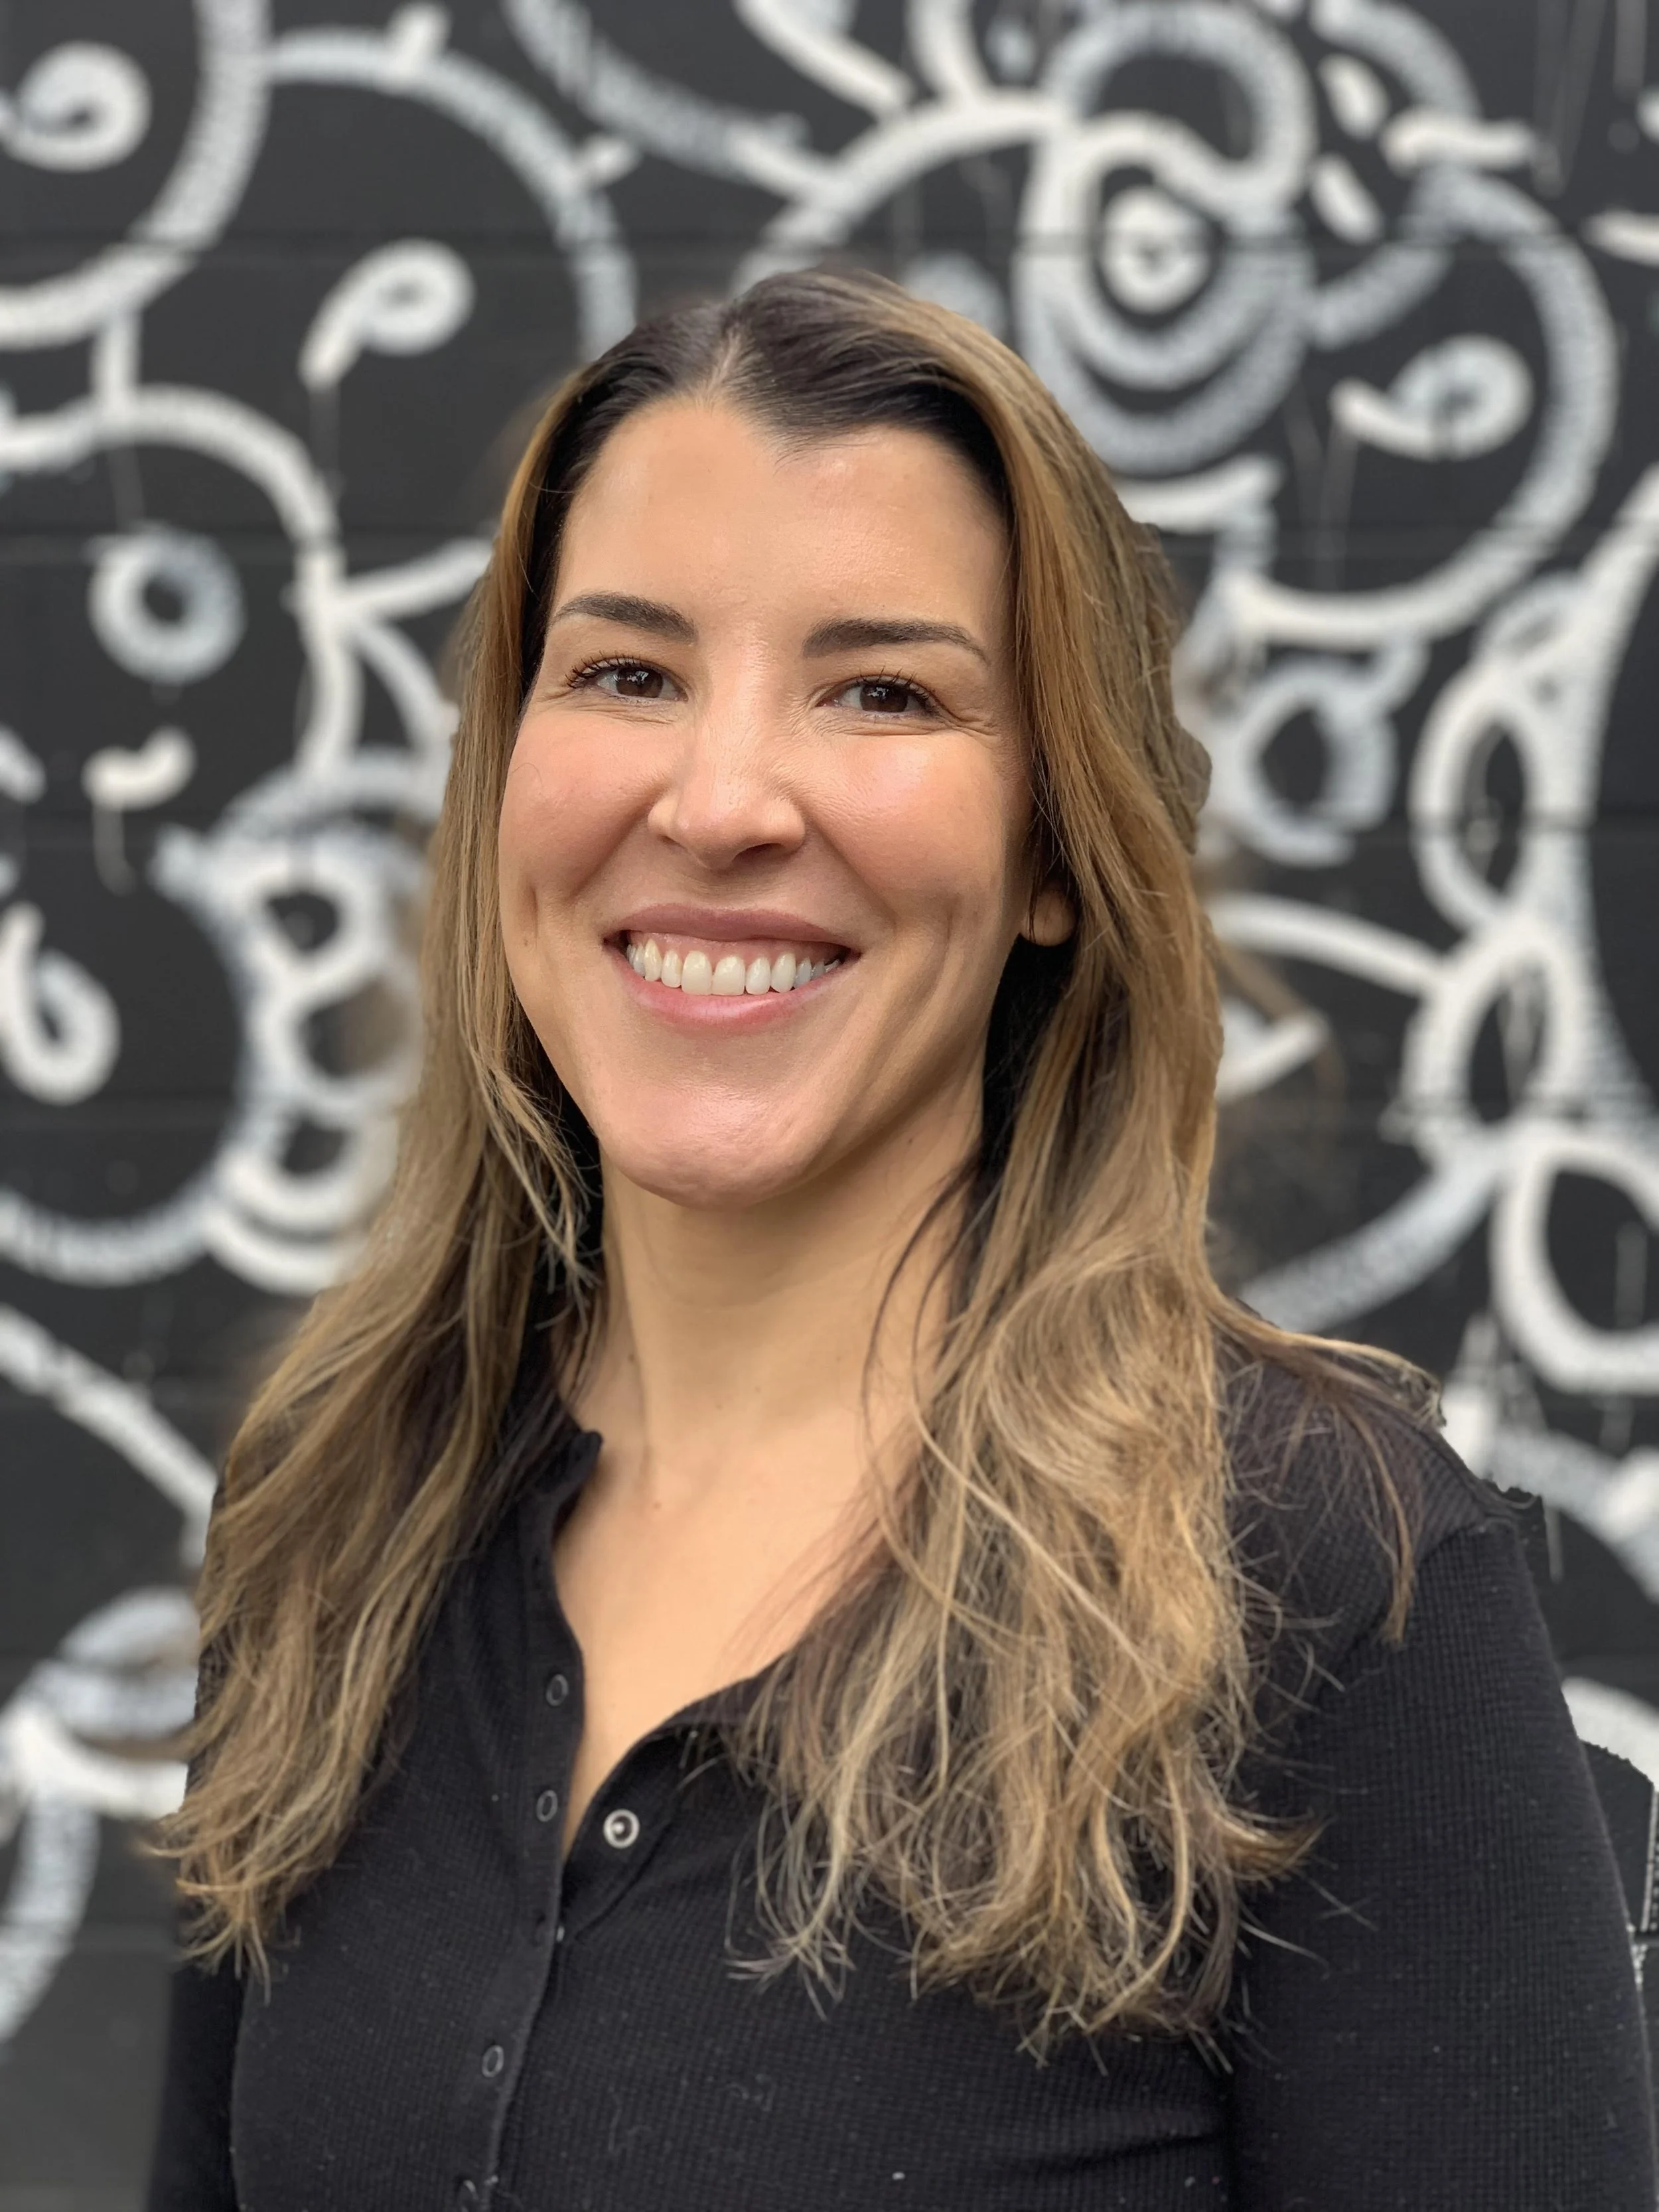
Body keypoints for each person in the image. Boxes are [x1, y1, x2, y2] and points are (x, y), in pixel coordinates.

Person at [145, 270, 1655, 2210]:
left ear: (1052, 854)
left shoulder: (1321, 1585)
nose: (720, 802)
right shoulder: (342, 1506)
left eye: (884, 692)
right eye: (626, 673)